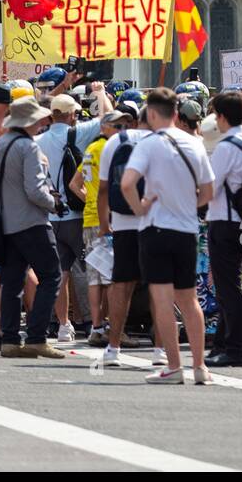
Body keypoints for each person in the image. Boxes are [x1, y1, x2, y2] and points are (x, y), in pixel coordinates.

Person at [120, 89, 215, 384]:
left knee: (162, 299)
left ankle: (174, 366)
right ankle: (199, 366)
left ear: (150, 114)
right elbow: (208, 191)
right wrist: (188, 203)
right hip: (187, 230)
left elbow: (126, 184)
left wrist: (140, 208)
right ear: (176, 113)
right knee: (189, 300)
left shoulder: (148, 144)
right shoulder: (195, 143)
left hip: (155, 228)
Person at [0, 97, 67, 360]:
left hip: (7, 223)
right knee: (51, 275)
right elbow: (34, 190)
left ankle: (9, 338)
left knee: (12, 282)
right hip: (32, 222)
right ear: (31, 121)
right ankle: (36, 337)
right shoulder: (28, 147)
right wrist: (54, 204)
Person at [35, 86, 112, 342]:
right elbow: (109, 119)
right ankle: (96, 322)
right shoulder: (77, 133)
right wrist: (100, 94)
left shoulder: (38, 140)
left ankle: (64, 325)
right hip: (77, 216)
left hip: (51, 215)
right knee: (95, 269)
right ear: (71, 115)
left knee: (61, 272)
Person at [202, 91, 242, 368]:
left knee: (227, 285)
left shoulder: (226, 146)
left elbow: (210, 186)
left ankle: (234, 348)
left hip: (225, 221)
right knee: (236, 279)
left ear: (221, 117)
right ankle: (223, 343)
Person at [96, 101, 148, 366]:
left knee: (121, 285)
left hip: (124, 221)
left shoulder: (114, 143)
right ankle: (162, 351)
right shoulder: (165, 141)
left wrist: (104, 223)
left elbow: (103, 189)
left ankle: (114, 347)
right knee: (162, 287)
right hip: (158, 221)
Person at [67, 113, 116, 347]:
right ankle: (109, 327)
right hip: (108, 218)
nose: (123, 129)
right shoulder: (109, 149)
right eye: (119, 125)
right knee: (112, 278)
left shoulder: (91, 148)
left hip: (89, 218)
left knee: (95, 276)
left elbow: (74, 184)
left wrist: (89, 199)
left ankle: (97, 326)